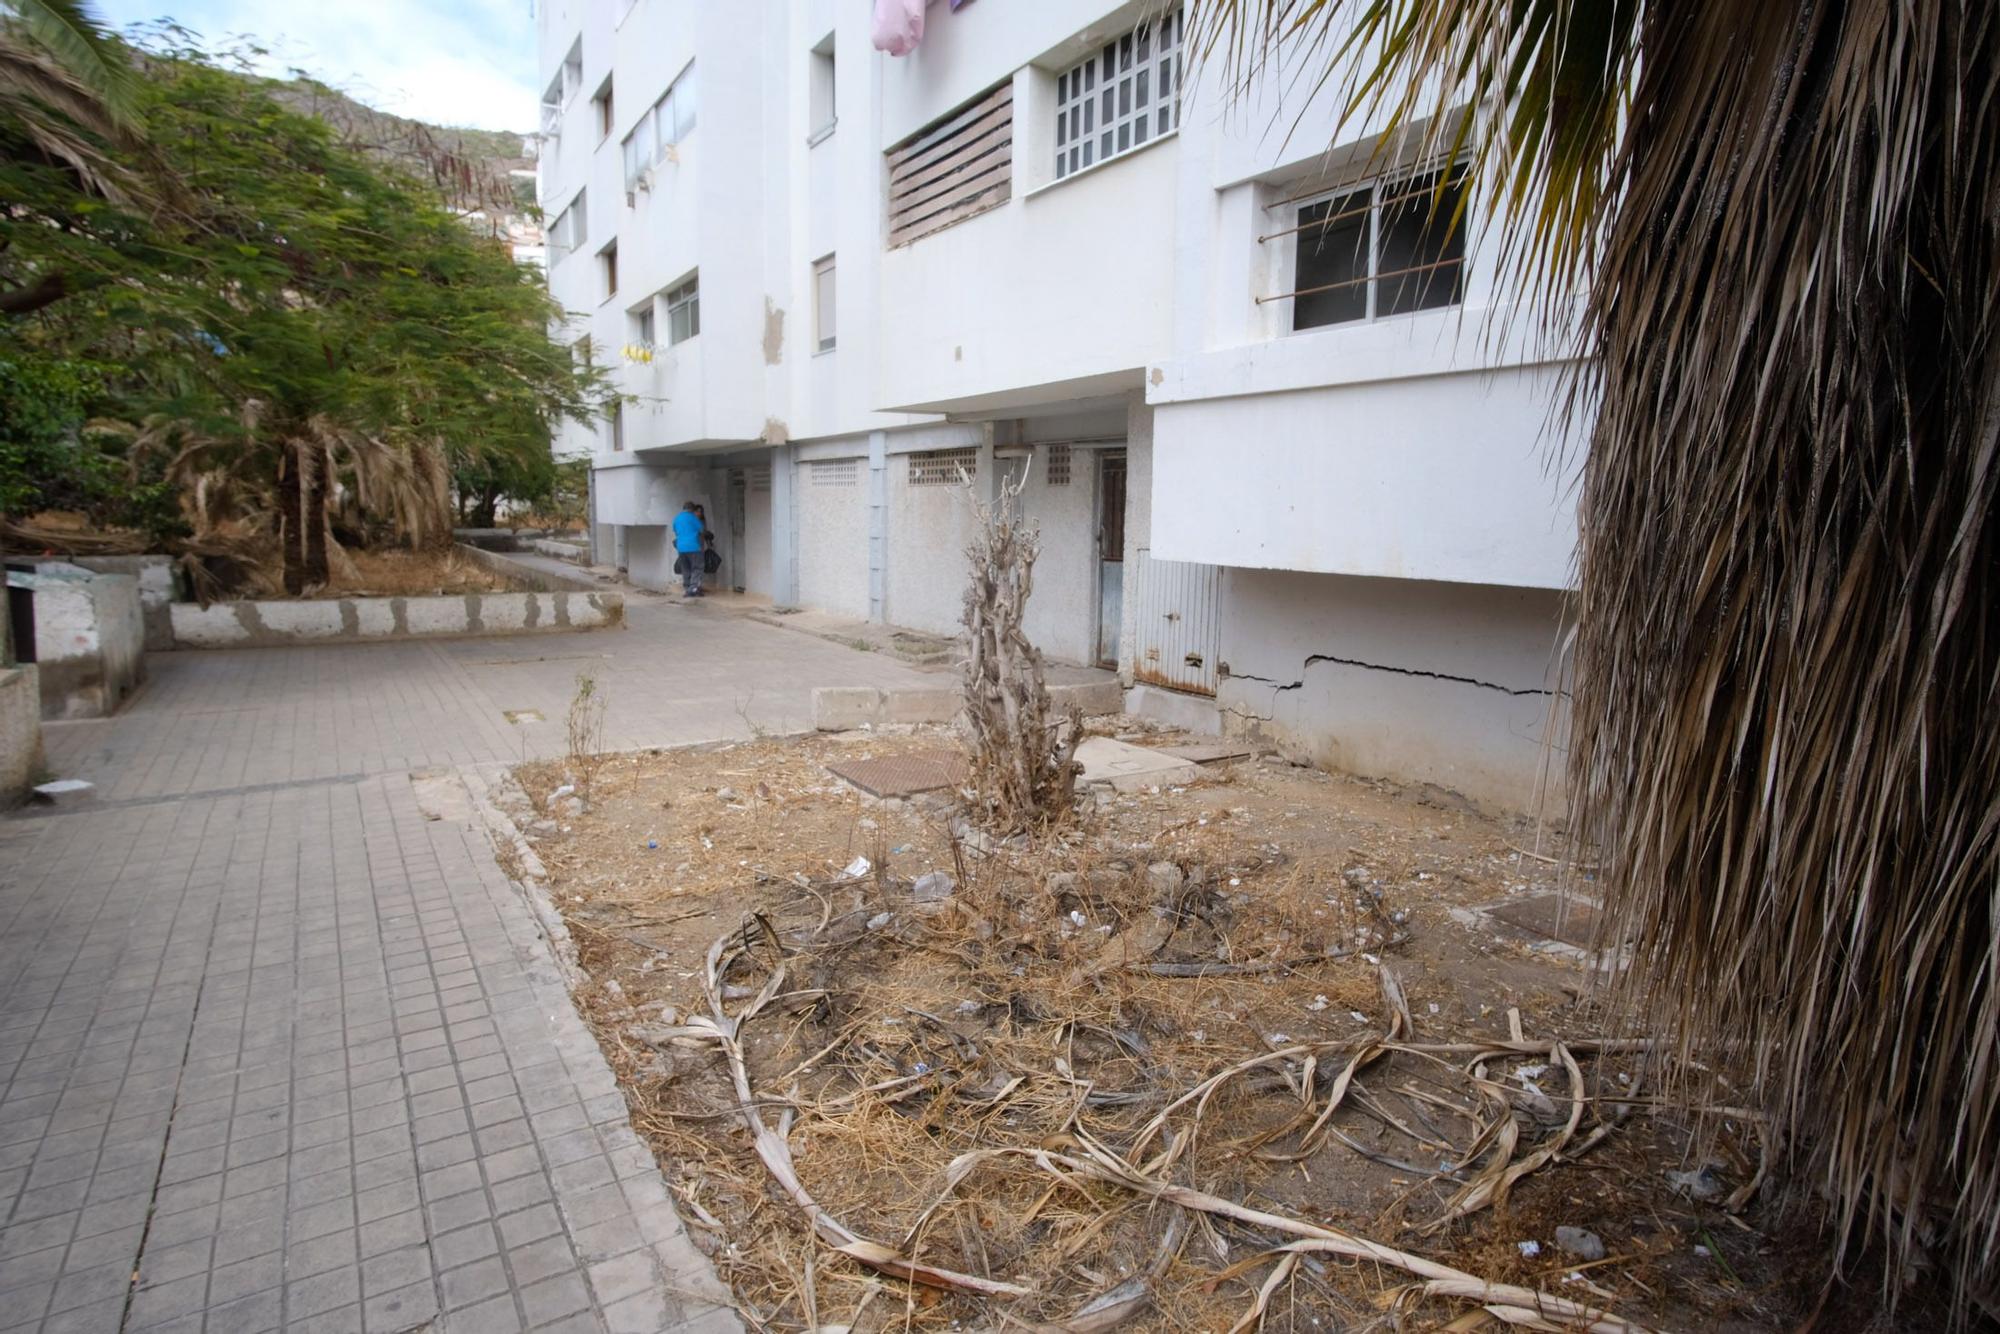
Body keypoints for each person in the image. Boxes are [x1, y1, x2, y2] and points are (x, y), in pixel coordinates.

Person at [672, 501, 705, 597]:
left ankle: (687, 588)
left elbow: (675, 530)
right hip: (693, 546)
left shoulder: (677, 518)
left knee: (685, 568)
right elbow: (701, 530)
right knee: (697, 567)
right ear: (691, 509)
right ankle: (693, 588)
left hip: (681, 547)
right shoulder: (693, 517)